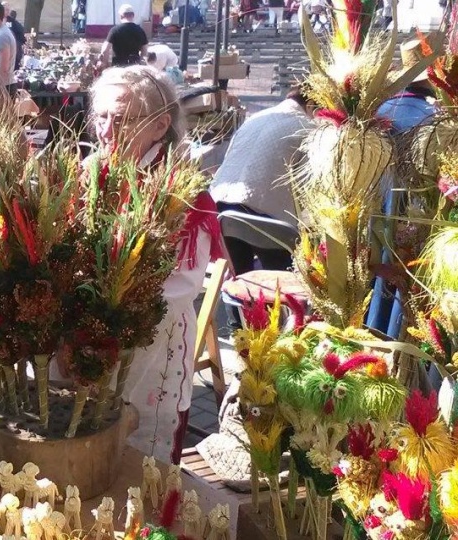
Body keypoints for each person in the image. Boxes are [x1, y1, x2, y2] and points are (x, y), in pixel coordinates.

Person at [87, 66, 222, 464]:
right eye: (101, 117)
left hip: (147, 338)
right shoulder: (90, 170)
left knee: (140, 455)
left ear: (159, 125)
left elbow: (181, 285)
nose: (106, 130)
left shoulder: (183, 191)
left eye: (121, 119)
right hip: (87, 337)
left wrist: (109, 306)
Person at [367, 40, 439, 339]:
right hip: (414, 212)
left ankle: (370, 332)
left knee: (376, 272)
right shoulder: (432, 117)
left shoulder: (378, 109)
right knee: (405, 275)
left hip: (374, 205)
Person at [210, 87, 316, 277]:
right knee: (279, 287)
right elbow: (309, 185)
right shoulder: (307, 128)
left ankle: (238, 308)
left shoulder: (256, 118)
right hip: (267, 219)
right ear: (310, 105)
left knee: (239, 283)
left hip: (222, 208)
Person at [98, 5, 149, 69]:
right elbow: (144, 51)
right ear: (133, 15)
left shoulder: (115, 30)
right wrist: (141, 66)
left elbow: (105, 50)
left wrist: (104, 63)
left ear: (121, 16)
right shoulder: (140, 30)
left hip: (118, 68)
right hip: (134, 68)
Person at [3, 4, 27, 70]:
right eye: (5, 9)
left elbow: (21, 32)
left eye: (8, 10)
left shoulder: (12, 21)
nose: (6, 12)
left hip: (12, 48)